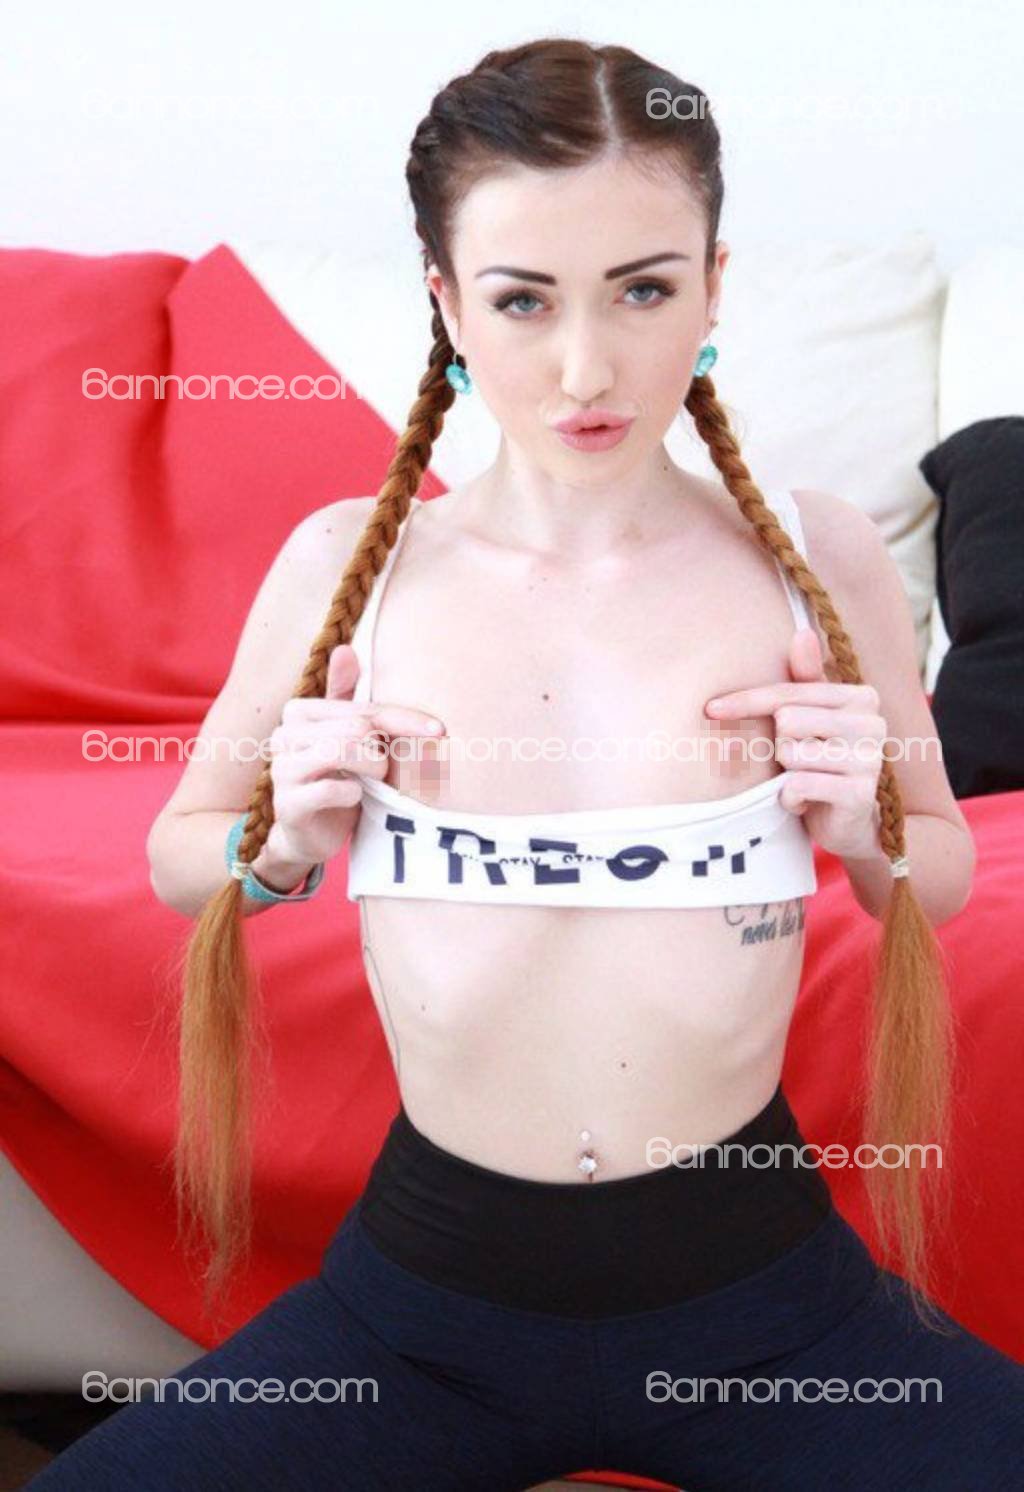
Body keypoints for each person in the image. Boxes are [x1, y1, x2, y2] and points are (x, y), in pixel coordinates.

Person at [29, 35, 1024, 1492]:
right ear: (446, 302)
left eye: (643, 289)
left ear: (714, 286)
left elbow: (935, 874)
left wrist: (865, 821)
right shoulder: (349, 568)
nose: (585, 367)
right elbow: (187, 856)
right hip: (424, 1312)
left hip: (770, 1312)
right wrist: (281, 839)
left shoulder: (818, 557)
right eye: (523, 299)